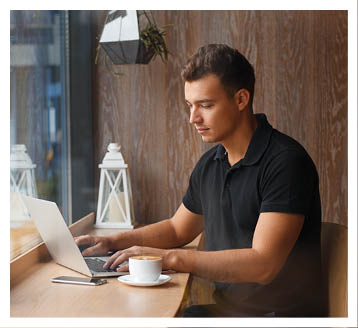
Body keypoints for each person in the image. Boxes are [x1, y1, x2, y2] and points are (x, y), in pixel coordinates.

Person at [76, 44, 327, 317]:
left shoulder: (285, 162)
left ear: (241, 99)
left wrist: (171, 258)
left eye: (205, 105)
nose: (193, 118)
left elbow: (263, 264)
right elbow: (176, 230)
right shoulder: (211, 163)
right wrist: (114, 242)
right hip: (230, 312)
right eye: (190, 105)